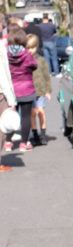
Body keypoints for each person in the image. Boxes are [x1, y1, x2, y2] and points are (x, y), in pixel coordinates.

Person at [5, 26, 37, 153]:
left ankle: (8, 141)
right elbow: (34, 65)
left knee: (10, 116)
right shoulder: (26, 54)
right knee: (26, 116)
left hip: (12, 90)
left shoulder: (6, 54)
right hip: (27, 90)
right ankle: (23, 143)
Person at [25, 33, 51, 146]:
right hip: (29, 91)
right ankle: (35, 134)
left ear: (37, 46)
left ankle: (43, 134)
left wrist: (48, 91)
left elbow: (47, 76)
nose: (30, 50)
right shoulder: (24, 60)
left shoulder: (41, 60)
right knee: (33, 113)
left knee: (41, 112)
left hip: (41, 90)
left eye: (33, 47)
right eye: (28, 48)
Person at [0, 29, 17, 169]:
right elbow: (3, 74)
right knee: (2, 128)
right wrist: (11, 99)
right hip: (1, 94)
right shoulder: (0, 46)